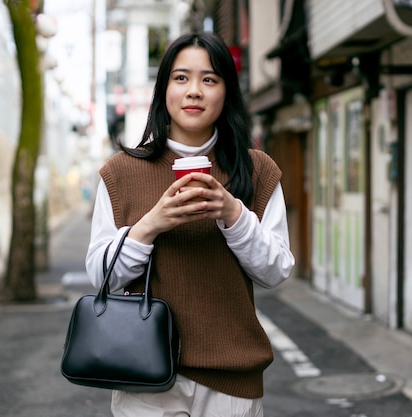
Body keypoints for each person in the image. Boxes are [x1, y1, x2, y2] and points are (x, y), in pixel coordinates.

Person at [85, 31, 295, 417]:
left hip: (233, 380)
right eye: (181, 78)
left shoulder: (256, 170)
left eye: (209, 79)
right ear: (163, 89)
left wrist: (232, 213)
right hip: (143, 374)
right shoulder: (121, 172)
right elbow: (101, 275)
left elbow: (276, 270)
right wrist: (152, 224)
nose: (194, 90)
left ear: (226, 92)